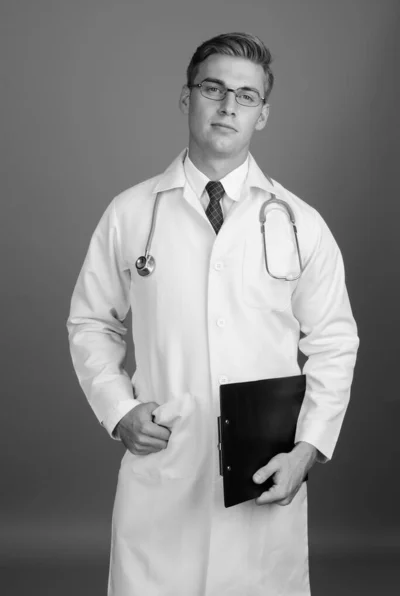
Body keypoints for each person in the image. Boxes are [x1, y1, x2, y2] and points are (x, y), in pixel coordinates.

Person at [67, 32, 359, 596]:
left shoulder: (300, 223)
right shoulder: (131, 213)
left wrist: (308, 449)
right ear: (187, 98)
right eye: (213, 88)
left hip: (264, 471)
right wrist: (118, 408)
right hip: (166, 467)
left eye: (245, 96)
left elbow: (334, 341)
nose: (228, 106)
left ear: (263, 115)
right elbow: (91, 322)